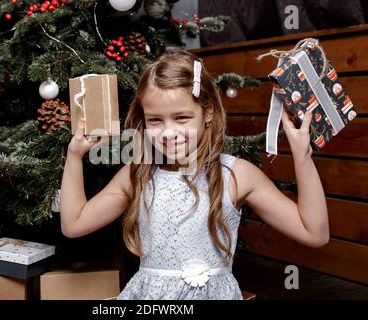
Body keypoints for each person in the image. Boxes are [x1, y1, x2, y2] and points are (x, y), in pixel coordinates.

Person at [60, 49, 329, 300]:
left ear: (207, 111)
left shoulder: (236, 175)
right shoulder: (137, 174)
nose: (168, 132)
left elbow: (314, 233)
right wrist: (74, 156)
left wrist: (302, 156)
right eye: (156, 120)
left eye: (182, 118)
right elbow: (74, 225)